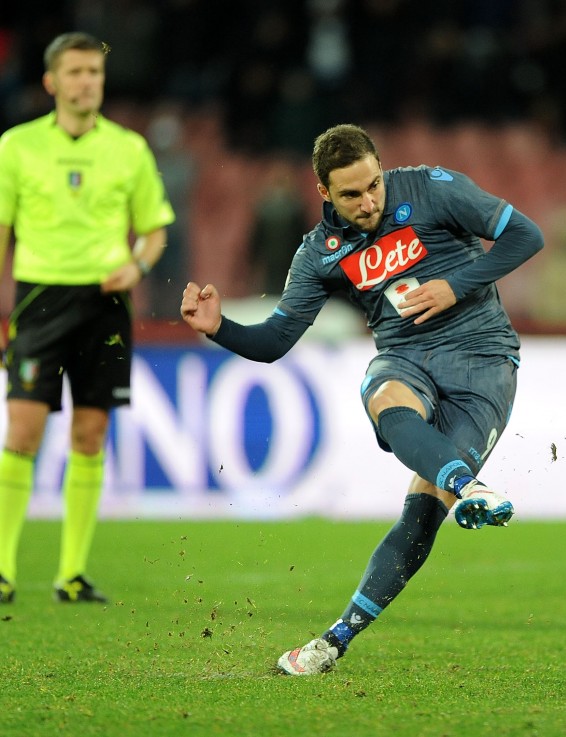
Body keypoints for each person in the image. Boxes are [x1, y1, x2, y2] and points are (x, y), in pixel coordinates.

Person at [180, 123, 544, 675]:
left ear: (381, 167)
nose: (369, 201)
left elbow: (525, 235)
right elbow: (275, 341)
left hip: (483, 360)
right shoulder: (319, 254)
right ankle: (467, 484)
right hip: (406, 357)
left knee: (420, 519)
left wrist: (456, 284)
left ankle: (335, 640)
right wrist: (219, 327)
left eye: (374, 185)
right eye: (351, 194)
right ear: (323, 192)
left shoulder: (432, 188)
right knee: (383, 393)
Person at [0, 32, 175, 604]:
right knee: (23, 430)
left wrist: (138, 266)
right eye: (74, 73)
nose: (86, 82)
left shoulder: (129, 149)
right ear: (51, 82)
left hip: (105, 302)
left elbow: (154, 231)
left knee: (90, 433)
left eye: (94, 73)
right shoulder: (15, 147)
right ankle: (2, 569)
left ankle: (70, 573)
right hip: (38, 298)